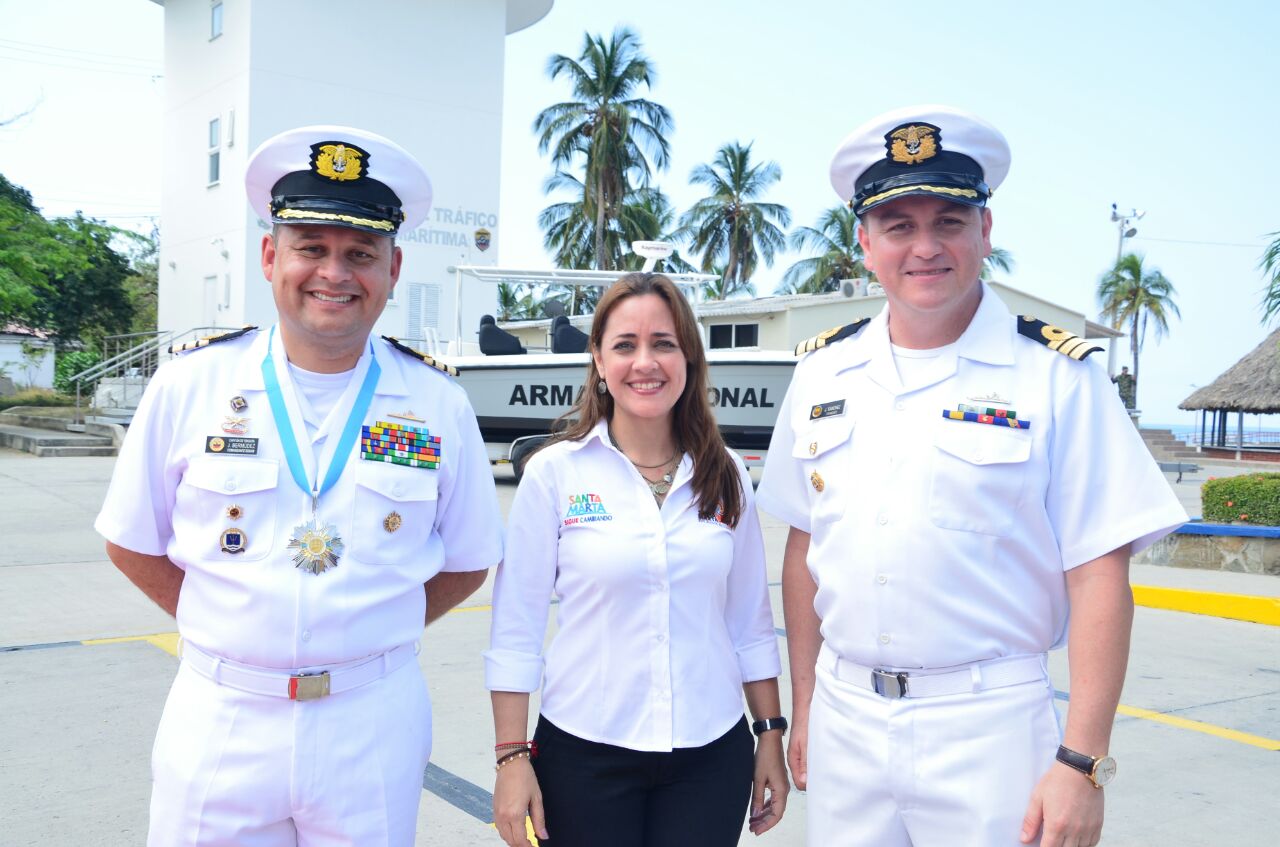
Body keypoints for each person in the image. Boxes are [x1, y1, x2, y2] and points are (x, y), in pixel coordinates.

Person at [757, 105, 1188, 847]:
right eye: (898, 225)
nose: (925, 246)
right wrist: (806, 703)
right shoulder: (823, 371)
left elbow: (1099, 575)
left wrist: (1083, 763)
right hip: (846, 718)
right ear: (865, 243)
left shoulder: (1058, 376)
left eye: (948, 222)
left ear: (985, 232)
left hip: (990, 728)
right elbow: (805, 551)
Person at [95, 125, 503, 846]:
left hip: (371, 718)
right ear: (269, 256)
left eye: (360, 254)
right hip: (221, 713)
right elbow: (131, 540)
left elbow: (470, 558)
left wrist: (372, 620)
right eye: (311, 247)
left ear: (394, 267)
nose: (334, 273)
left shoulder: (438, 403)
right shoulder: (190, 384)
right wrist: (235, 621)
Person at [485, 273, 789, 847]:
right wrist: (511, 757)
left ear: (689, 360)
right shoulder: (555, 474)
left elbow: (749, 621)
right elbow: (514, 631)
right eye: (625, 345)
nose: (644, 362)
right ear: (598, 359)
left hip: (710, 754)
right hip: (583, 752)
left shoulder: (725, 473)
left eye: (664, 343)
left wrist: (769, 731)